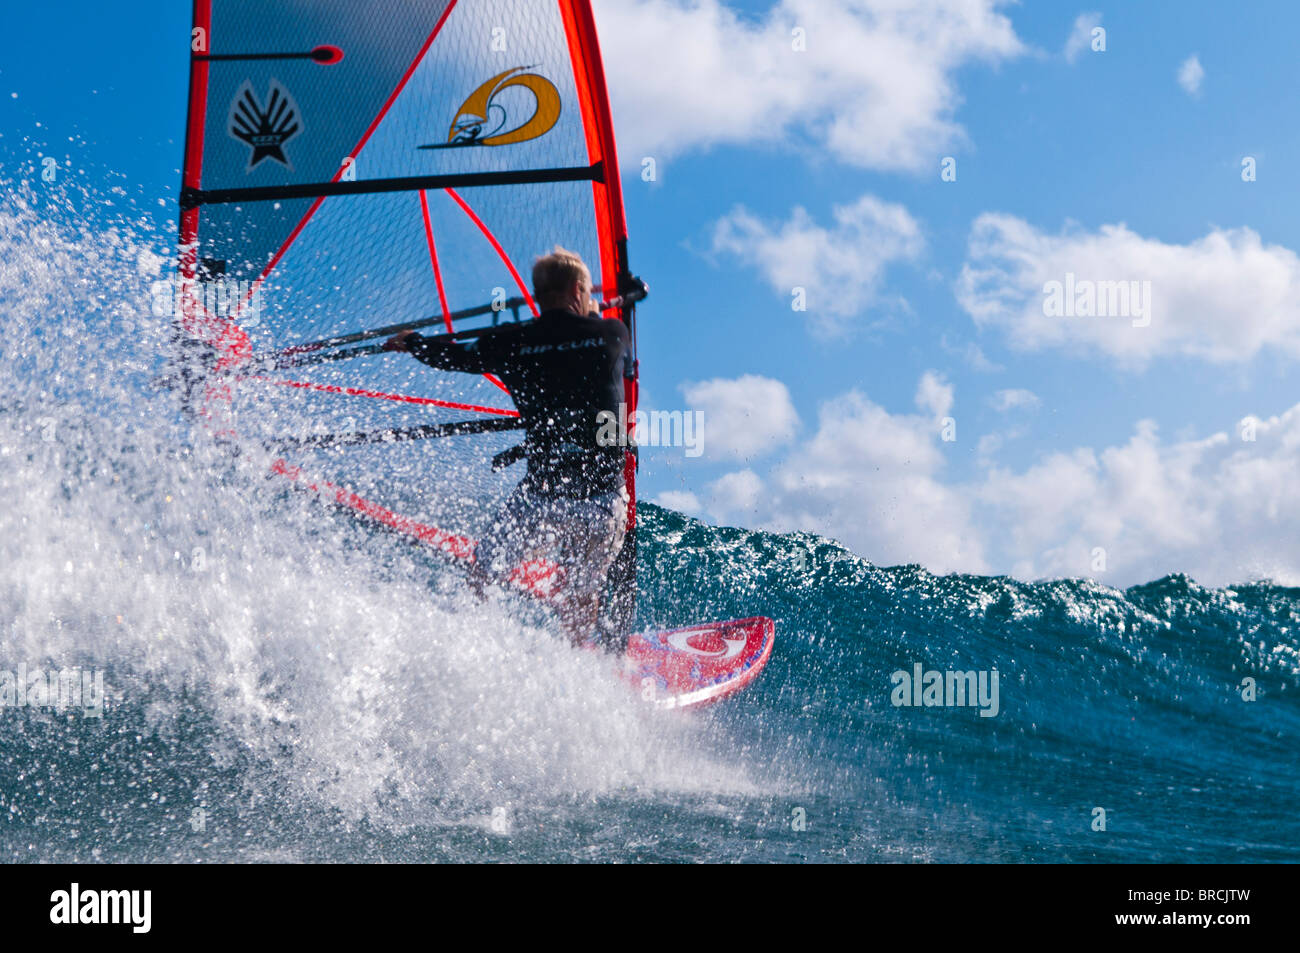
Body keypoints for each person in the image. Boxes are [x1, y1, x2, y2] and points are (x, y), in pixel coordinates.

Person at [384, 247, 630, 646]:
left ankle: (475, 648)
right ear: (578, 290)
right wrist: (593, 311)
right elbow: (607, 348)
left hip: (541, 495)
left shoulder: (510, 341)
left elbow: (450, 356)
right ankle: (581, 663)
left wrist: (413, 342)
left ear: (537, 293)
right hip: (600, 499)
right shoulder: (611, 334)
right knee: (580, 591)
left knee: (483, 571)